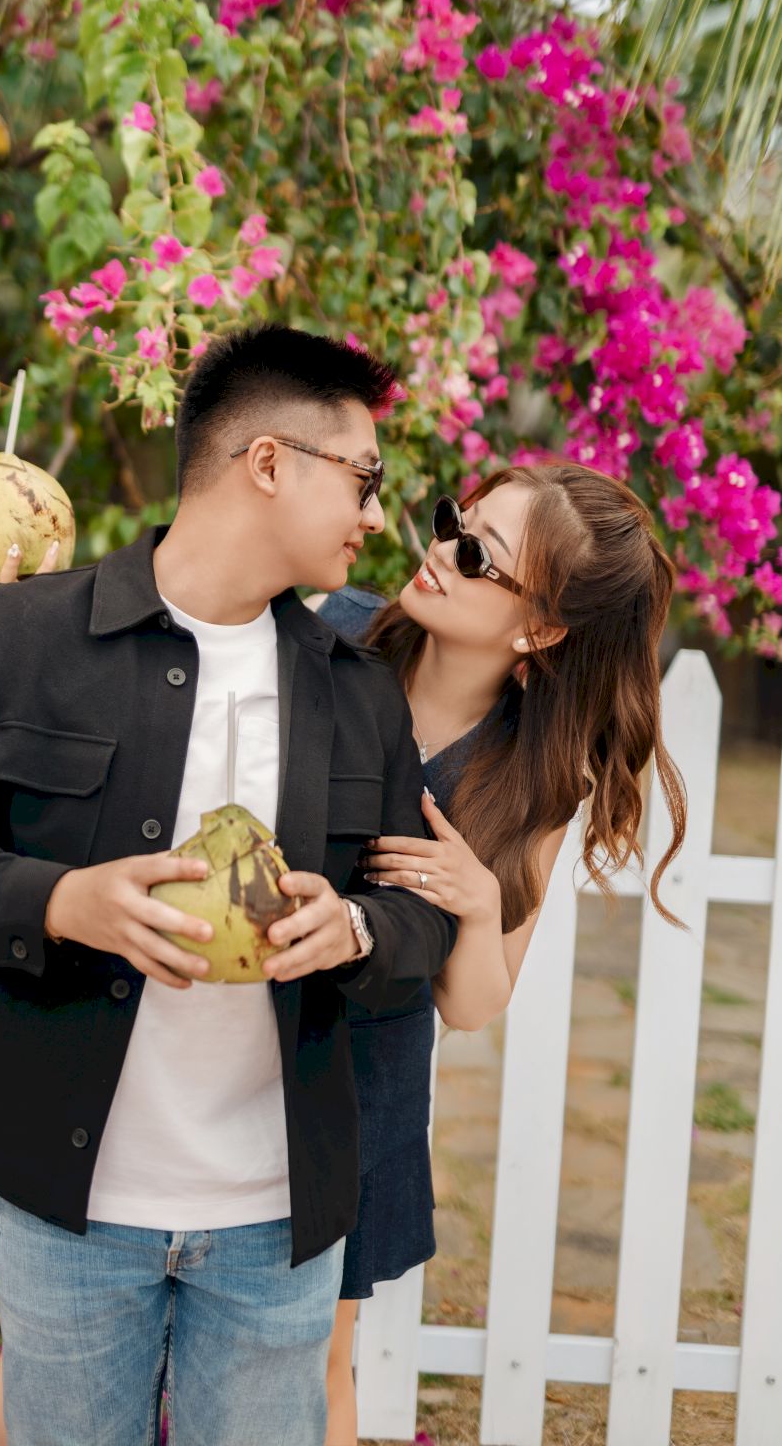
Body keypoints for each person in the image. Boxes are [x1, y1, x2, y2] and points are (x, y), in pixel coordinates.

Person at [0, 324, 459, 1446]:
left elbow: (419, 913)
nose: (375, 517)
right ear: (268, 463)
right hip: (66, 1210)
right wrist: (60, 902)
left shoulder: (360, 692)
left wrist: (355, 929)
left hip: (276, 1221)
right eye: (363, 479)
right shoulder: (18, 637)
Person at [314, 462, 687, 1444]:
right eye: (454, 523)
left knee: (318, 1364)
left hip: (359, 1084)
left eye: (478, 556)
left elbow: (473, 1005)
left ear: (539, 630)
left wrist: (479, 906)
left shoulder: (529, 778)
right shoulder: (328, 630)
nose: (442, 550)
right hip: (228, 1033)